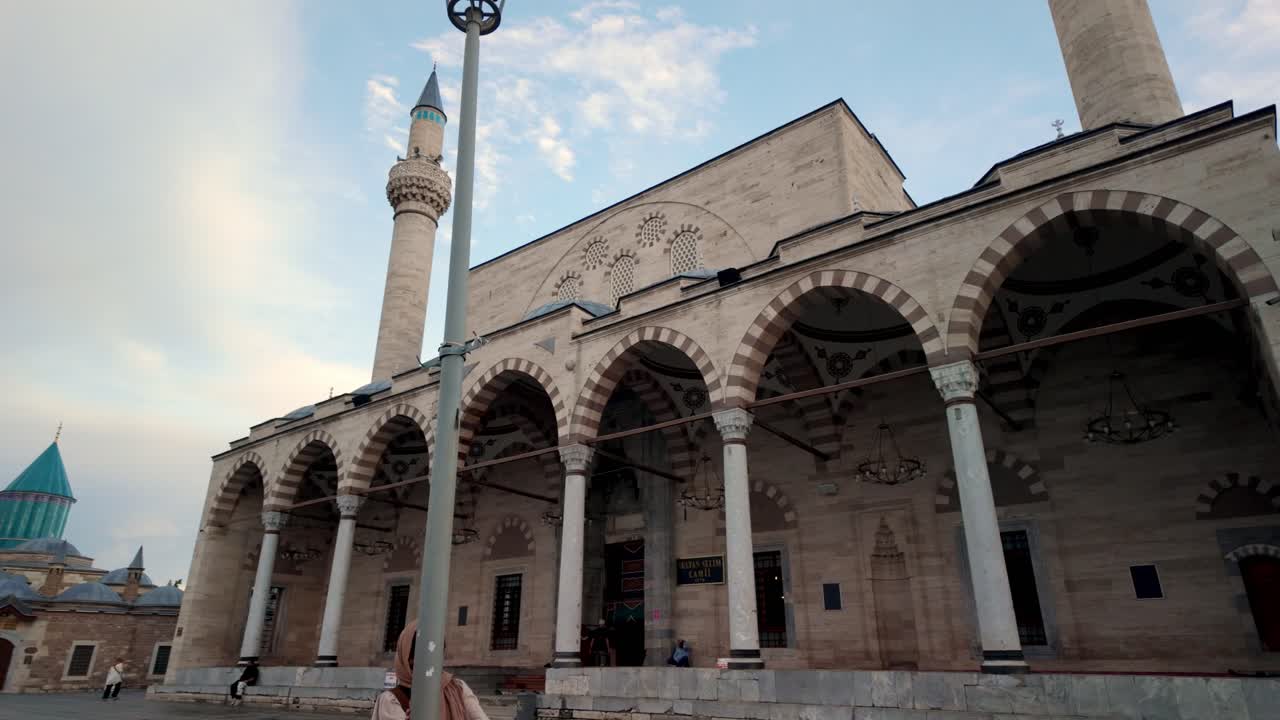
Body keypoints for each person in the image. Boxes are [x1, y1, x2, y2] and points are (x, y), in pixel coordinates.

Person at [371, 620, 490, 720]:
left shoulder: (459, 688)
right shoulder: (392, 699)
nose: (428, 661)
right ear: (407, 657)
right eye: (422, 653)